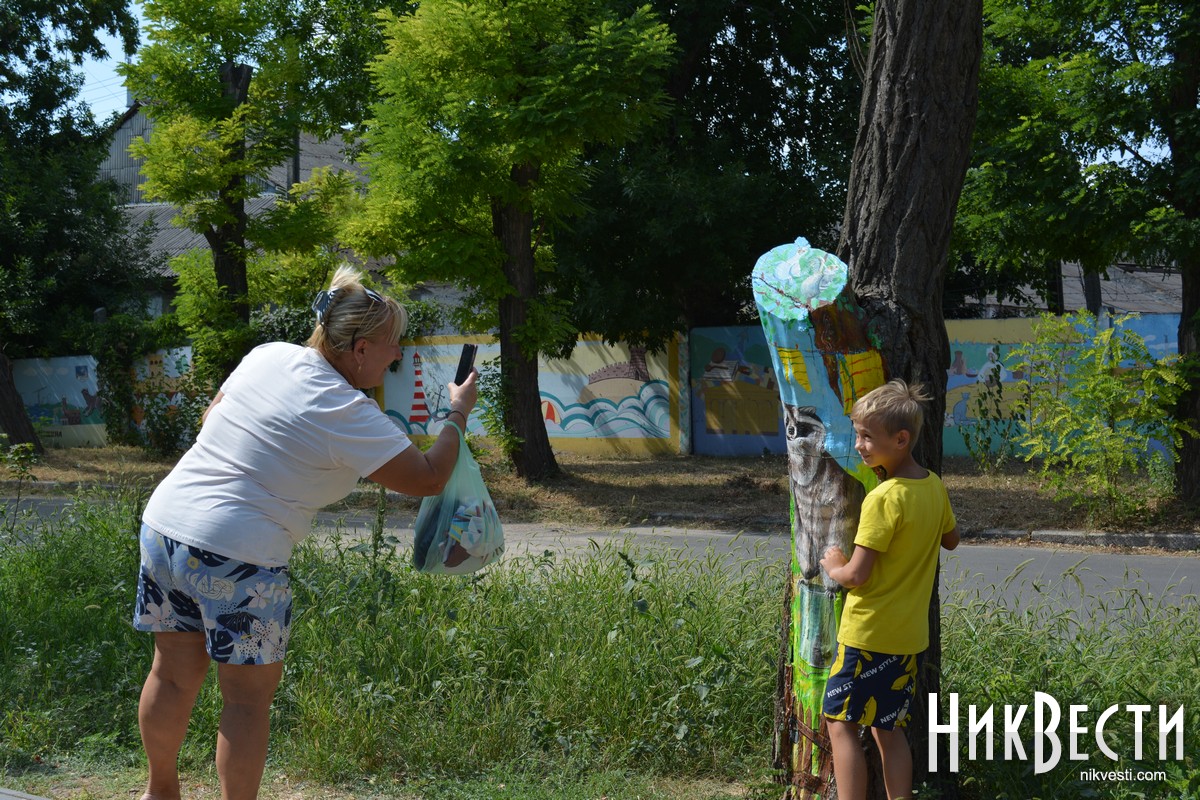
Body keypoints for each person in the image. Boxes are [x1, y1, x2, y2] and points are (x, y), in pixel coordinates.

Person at [132, 265, 478, 800]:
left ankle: (160, 792)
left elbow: (213, 416)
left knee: (173, 675)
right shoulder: (345, 409)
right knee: (245, 700)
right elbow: (428, 478)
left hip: (166, 525)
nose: (397, 356)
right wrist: (456, 414)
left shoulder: (268, 354)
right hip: (239, 552)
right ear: (359, 349)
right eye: (392, 345)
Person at [818, 379, 959, 800]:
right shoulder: (932, 486)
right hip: (907, 638)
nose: (858, 445)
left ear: (901, 439)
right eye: (857, 434)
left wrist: (834, 566)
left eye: (867, 437)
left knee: (839, 724)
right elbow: (951, 539)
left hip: (867, 634)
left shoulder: (883, 499)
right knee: (888, 728)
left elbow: (857, 575)